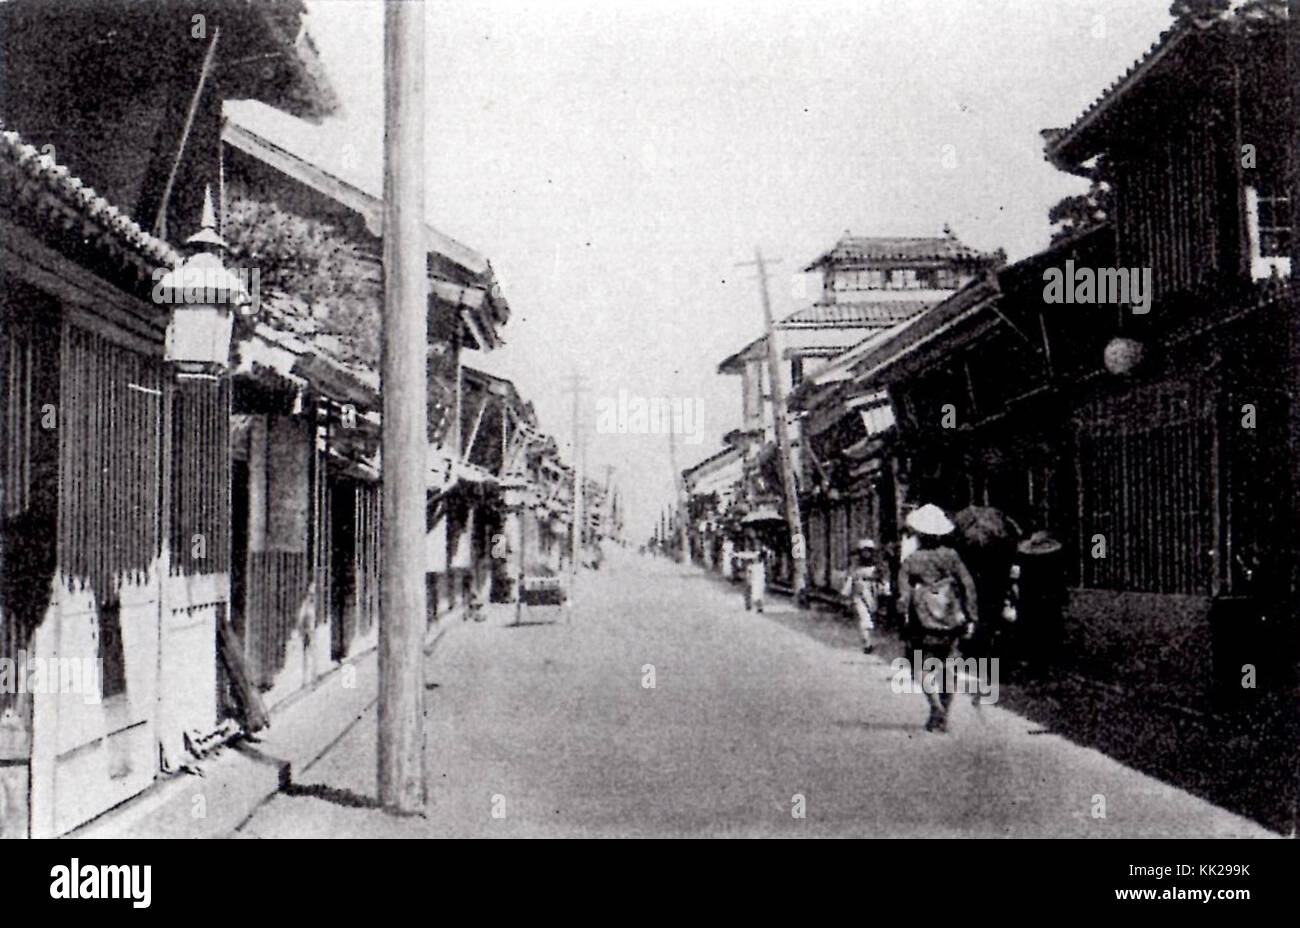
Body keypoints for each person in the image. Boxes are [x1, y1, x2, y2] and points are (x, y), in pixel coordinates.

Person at [897, 503, 979, 733]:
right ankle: (945, 713)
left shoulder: (913, 559)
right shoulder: (952, 556)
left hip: (920, 622)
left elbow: (902, 593)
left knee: (917, 666)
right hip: (950, 618)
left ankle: (935, 707)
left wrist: (903, 616)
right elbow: (967, 585)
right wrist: (971, 616)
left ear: (921, 533)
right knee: (949, 667)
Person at [842, 538, 887, 654]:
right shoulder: (855, 566)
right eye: (863, 551)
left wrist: (885, 589)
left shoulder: (877, 566)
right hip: (859, 591)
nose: (866, 553)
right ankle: (867, 642)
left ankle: (869, 638)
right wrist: (846, 593)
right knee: (864, 617)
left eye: (869, 551)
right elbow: (850, 578)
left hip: (873, 592)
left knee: (872, 616)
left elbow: (883, 579)